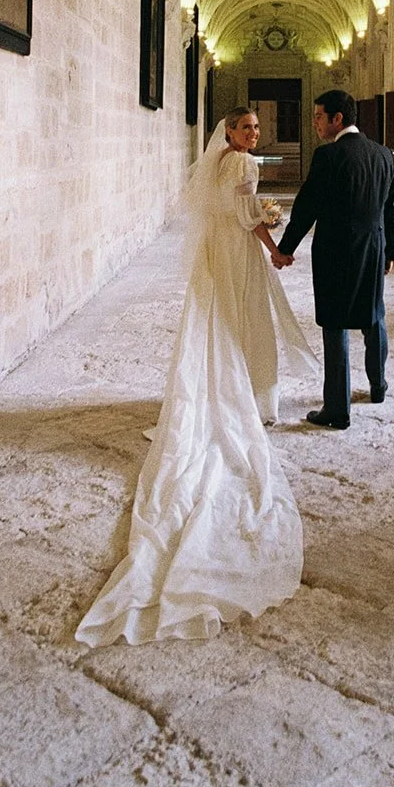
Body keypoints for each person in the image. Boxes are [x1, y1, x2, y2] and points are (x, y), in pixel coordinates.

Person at [75, 108, 319, 646]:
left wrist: (262, 220)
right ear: (229, 132)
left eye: (255, 129)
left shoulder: (219, 163)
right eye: (246, 128)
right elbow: (247, 217)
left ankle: (224, 388)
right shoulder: (245, 164)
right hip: (237, 252)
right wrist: (274, 242)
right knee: (244, 320)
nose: (253, 136)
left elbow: (224, 211)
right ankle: (249, 399)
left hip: (216, 255)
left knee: (220, 322)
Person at [273, 89, 394, 430]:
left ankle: (337, 408)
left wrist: (285, 248)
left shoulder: (328, 156)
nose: (314, 123)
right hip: (373, 248)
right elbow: (390, 209)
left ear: (336, 119)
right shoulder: (383, 154)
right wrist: (391, 251)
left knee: (336, 324)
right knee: (374, 316)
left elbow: (307, 206)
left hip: (336, 250)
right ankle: (378, 386)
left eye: (317, 116)